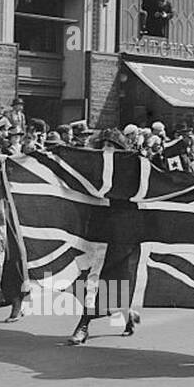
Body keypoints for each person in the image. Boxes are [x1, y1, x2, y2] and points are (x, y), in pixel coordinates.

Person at [68, 129, 143, 345]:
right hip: (96, 233)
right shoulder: (92, 170)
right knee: (91, 280)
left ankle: (121, 315)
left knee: (117, 280)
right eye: (103, 145)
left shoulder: (129, 171)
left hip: (122, 234)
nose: (106, 149)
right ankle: (86, 324)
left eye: (111, 146)